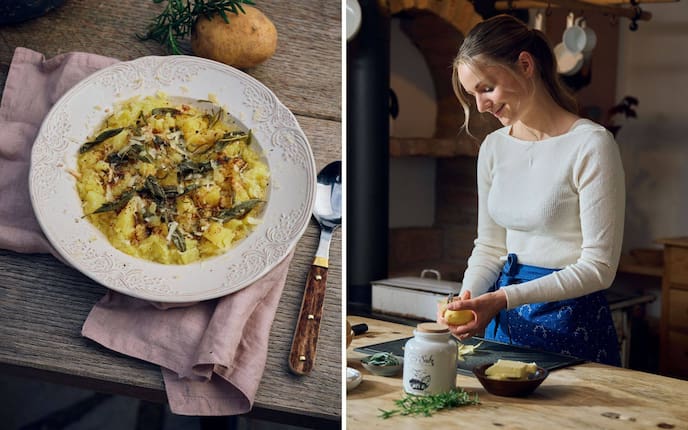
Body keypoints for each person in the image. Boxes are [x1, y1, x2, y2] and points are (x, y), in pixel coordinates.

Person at [437, 14, 625, 366]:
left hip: (572, 326)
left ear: (525, 65)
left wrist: (501, 298)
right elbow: (491, 246)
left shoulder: (591, 144)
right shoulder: (493, 147)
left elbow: (599, 267)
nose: (480, 106)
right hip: (504, 325)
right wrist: (468, 297)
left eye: (486, 88)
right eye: (472, 95)